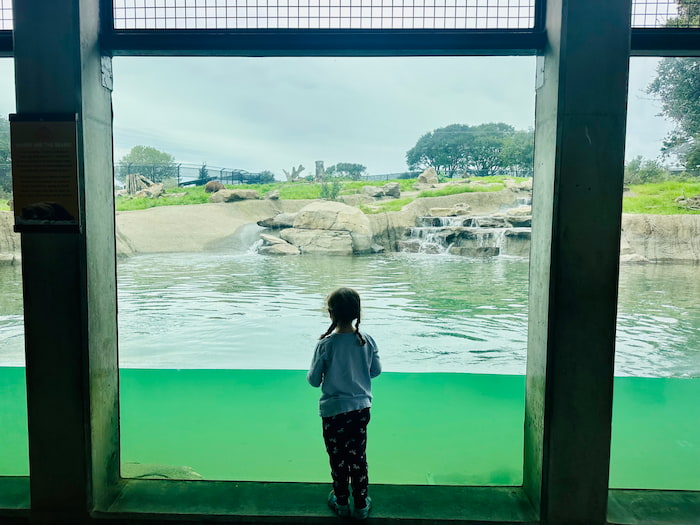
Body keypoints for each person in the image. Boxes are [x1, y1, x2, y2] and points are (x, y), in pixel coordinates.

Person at [307, 287, 381, 520]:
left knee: (338, 457)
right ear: (358, 312)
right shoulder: (366, 341)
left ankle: (341, 502)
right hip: (360, 409)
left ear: (331, 313)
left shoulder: (326, 344)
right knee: (357, 456)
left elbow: (313, 380)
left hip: (333, 412)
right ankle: (360, 505)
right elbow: (376, 371)